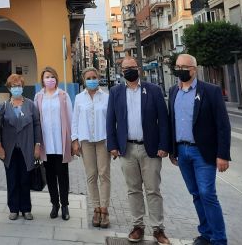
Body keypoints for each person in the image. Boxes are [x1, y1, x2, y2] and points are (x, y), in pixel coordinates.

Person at [106, 56, 171, 244]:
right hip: (126, 149)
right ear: (121, 71)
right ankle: (137, 226)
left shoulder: (153, 90)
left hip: (150, 150)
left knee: (153, 190)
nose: (129, 71)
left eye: (132, 67)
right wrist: (112, 146)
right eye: (125, 69)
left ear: (139, 69)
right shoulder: (116, 92)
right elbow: (111, 121)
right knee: (133, 190)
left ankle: (158, 229)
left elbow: (164, 121)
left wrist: (164, 146)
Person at [169, 54, 231, 245]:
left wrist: (223, 155)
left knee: (207, 194)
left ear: (193, 69)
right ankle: (206, 233)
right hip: (182, 151)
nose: (179, 69)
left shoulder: (210, 91)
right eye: (177, 66)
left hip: (202, 152)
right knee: (196, 194)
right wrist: (173, 150)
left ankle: (219, 239)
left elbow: (223, 124)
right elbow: (172, 122)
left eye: (184, 66)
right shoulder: (173, 91)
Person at [0, 74, 41, 220]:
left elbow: (37, 125)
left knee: (25, 179)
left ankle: (26, 208)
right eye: (14, 86)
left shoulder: (30, 105)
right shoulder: (4, 106)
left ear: (23, 87)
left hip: (27, 147)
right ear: (9, 88)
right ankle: (13, 208)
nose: (17, 88)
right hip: (9, 148)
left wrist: (37, 145)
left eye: (19, 85)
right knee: (12, 179)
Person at [72, 67, 111, 228]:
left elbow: (111, 120)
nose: (92, 80)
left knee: (104, 175)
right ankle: (95, 209)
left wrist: (114, 143)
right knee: (91, 175)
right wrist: (74, 140)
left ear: (99, 78)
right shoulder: (79, 98)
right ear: (84, 80)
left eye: (94, 77)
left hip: (103, 140)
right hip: (86, 140)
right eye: (88, 78)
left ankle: (104, 210)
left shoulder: (107, 97)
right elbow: (75, 119)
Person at [34, 67, 74, 220]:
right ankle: (54, 204)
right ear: (42, 80)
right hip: (46, 144)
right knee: (50, 176)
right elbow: (36, 121)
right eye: (46, 77)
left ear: (56, 78)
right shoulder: (38, 97)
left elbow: (70, 119)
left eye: (52, 76)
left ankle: (64, 206)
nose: (49, 79)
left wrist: (72, 141)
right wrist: (36, 144)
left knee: (63, 175)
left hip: (60, 143)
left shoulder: (63, 96)